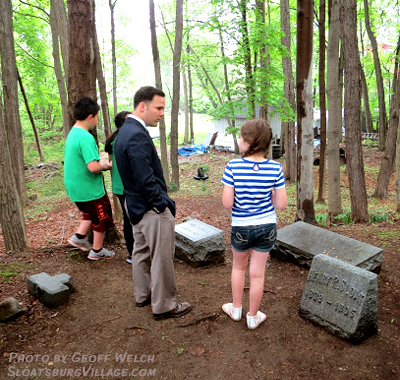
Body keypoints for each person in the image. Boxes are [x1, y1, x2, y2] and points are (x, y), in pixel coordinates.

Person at [114, 86, 192, 320]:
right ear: (142, 106)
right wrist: (162, 205)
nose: (161, 113)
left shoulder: (124, 132)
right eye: (158, 108)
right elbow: (144, 178)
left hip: (134, 205)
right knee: (161, 257)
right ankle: (164, 305)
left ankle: (143, 295)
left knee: (141, 251)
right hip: (149, 208)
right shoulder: (136, 134)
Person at [221, 119, 287, 329]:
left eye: (241, 137)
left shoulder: (233, 166)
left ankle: (236, 309)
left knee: (239, 267)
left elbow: (227, 203)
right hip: (267, 226)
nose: (239, 140)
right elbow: (281, 204)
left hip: (241, 225)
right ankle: (253, 316)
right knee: (257, 272)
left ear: (249, 142)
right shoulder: (275, 168)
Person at [64, 97, 115, 261]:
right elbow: (92, 167)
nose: (97, 120)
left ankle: (79, 237)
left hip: (75, 187)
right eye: (97, 117)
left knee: (89, 212)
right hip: (89, 189)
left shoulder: (73, 132)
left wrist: (97, 159)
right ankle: (97, 251)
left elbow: (83, 159)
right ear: (90, 116)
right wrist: (108, 165)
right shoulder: (86, 137)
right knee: (102, 217)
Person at [105, 111, 134, 264]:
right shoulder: (123, 139)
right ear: (123, 122)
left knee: (130, 218)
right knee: (130, 220)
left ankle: (134, 252)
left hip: (121, 186)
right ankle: (133, 254)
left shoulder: (117, 138)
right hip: (126, 186)